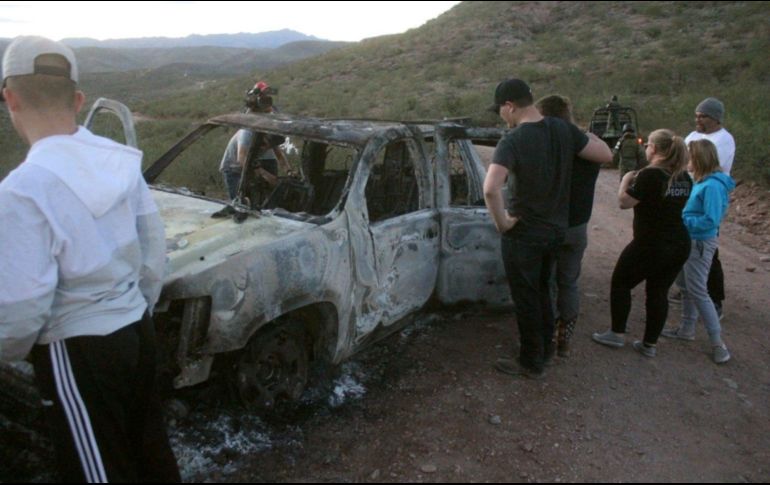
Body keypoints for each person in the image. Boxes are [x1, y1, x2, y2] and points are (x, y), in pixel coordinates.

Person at [0, 36, 180, 482]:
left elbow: (21, 304)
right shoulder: (120, 161)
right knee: (150, 453)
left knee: (97, 470)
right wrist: (136, 306)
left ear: (9, 97)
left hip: (77, 348)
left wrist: (9, 353)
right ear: (78, 100)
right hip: (136, 330)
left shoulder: (22, 191)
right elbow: (152, 250)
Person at [483, 79, 611, 378]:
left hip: (524, 233)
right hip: (556, 229)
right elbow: (603, 155)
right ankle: (546, 349)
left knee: (527, 298)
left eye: (500, 110)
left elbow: (491, 189)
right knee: (544, 292)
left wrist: (502, 224)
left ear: (510, 106)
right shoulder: (564, 130)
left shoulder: (512, 141)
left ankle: (531, 362)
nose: (501, 116)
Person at [592, 129, 692, 358]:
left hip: (650, 243)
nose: (645, 148)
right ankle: (649, 344)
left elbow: (624, 202)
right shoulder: (683, 177)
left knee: (620, 283)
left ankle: (616, 334)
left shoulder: (650, 175)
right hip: (678, 243)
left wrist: (625, 181)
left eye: (647, 145)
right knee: (658, 292)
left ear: (654, 149)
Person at [535, 95, 601, 358]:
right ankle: (565, 336)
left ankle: (545, 336)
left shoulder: (547, 148)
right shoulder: (590, 147)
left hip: (548, 225)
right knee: (569, 282)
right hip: (577, 225)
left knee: (545, 282)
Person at [661, 139, 734, 364]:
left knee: (699, 290)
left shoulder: (711, 186)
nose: (685, 162)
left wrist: (682, 221)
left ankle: (718, 343)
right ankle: (686, 328)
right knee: (686, 286)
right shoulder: (702, 182)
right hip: (691, 241)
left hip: (700, 242)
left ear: (699, 158)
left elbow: (711, 220)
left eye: (688, 158)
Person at [677, 97, 735, 318]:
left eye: (703, 116)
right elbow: (682, 157)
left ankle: (714, 298)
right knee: (686, 242)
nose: (697, 119)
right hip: (691, 191)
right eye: (696, 115)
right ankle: (689, 287)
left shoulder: (724, 139)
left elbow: (708, 163)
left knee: (708, 247)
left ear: (715, 118)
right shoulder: (693, 135)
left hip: (709, 193)